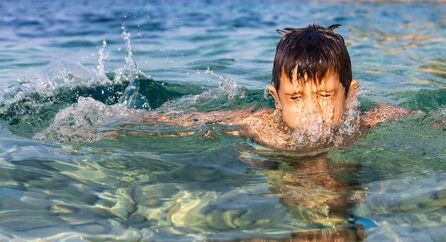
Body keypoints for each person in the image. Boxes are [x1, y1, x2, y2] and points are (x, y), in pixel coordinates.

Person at [143, 24, 414, 150]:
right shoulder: (260, 125)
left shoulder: (368, 121)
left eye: (325, 95)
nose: (312, 108)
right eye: (295, 97)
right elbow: (189, 122)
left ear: (350, 94)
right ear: (276, 99)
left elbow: (426, 121)